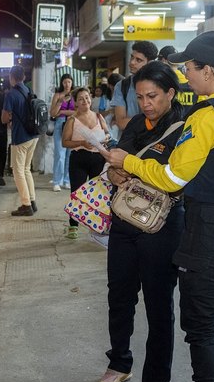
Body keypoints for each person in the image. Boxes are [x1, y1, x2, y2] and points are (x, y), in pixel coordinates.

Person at [101, 31, 214, 382]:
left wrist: (128, 163)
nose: (186, 76)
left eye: (189, 68)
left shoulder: (208, 116)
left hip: (212, 230)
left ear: (209, 71)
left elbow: (173, 178)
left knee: (203, 328)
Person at [95, 60, 186, 382]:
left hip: (162, 228)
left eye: (153, 96)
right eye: (141, 97)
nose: (146, 103)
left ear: (170, 94)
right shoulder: (135, 122)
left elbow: (174, 177)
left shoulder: (183, 128)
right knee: (119, 296)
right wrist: (119, 171)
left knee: (159, 306)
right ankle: (120, 362)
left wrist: (129, 167)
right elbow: (116, 164)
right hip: (125, 221)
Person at [61, 87, 109, 239]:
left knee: (98, 194)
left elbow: (108, 134)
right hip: (79, 159)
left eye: (87, 97)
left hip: (98, 159)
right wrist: (82, 142)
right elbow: (65, 142)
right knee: (76, 193)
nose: (85, 101)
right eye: (81, 99)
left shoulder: (99, 116)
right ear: (75, 102)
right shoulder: (72, 120)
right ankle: (73, 225)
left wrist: (106, 138)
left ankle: (96, 226)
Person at [1, 65, 38, 216]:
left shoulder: (11, 94)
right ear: (23, 77)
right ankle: (32, 201)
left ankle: (26, 205)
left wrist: (9, 117)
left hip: (21, 137)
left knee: (18, 172)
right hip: (33, 135)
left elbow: (3, 119)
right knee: (26, 169)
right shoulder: (29, 90)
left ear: (12, 77)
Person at [111, 41, 158, 131]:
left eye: (138, 60)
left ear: (150, 63)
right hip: (130, 142)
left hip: (156, 142)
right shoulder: (122, 86)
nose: (132, 62)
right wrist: (153, 120)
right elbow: (121, 123)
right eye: (132, 57)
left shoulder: (160, 84)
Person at [49, 73, 75, 191]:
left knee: (70, 154)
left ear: (72, 82)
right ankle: (56, 181)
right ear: (61, 83)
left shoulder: (75, 95)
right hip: (60, 124)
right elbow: (53, 113)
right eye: (64, 82)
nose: (67, 84)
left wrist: (63, 112)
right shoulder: (58, 95)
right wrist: (61, 102)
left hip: (73, 124)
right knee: (60, 154)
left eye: (69, 82)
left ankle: (67, 180)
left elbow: (78, 112)